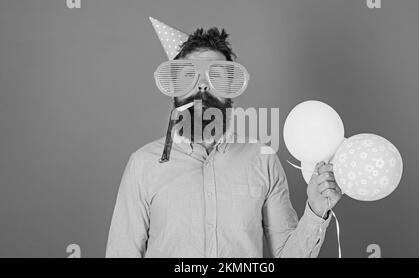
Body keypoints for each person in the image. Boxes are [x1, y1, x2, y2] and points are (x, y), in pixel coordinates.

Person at [105, 18, 342, 258]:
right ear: (175, 88)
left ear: (231, 87)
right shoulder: (142, 165)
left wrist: (315, 210)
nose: (202, 87)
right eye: (189, 77)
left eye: (216, 77)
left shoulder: (263, 160)